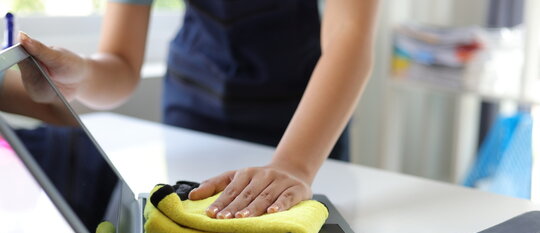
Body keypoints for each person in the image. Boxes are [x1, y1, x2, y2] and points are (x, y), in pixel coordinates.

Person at [15, 0, 379, 219]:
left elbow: (350, 35)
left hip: (303, 120)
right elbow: (121, 65)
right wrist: (79, 75)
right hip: (193, 113)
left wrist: (294, 165)